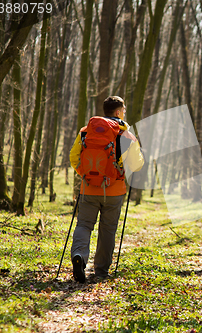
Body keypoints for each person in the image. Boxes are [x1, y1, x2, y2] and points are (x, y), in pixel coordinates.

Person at [69, 96, 144, 283]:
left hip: (88, 189)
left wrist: (87, 175)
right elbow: (136, 165)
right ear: (118, 112)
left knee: (84, 225)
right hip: (114, 190)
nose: (124, 112)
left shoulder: (86, 133)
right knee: (108, 230)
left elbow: (74, 158)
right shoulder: (126, 136)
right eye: (123, 110)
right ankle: (101, 271)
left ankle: (79, 255)